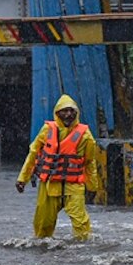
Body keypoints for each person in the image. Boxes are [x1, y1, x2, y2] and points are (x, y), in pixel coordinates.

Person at [16, 94, 102, 241]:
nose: (68, 114)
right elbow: (33, 154)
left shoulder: (85, 135)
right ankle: (42, 250)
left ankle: (84, 250)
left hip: (74, 186)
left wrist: (92, 188)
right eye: (64, 111)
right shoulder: (47, 130)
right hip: (49, 185)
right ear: (57, 113)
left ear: (76, 113)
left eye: (71, 111)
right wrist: (22, 178)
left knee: (81, 224)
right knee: (43, 225)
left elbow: (90, 163)